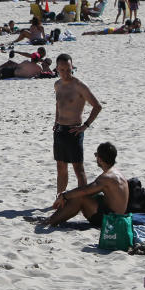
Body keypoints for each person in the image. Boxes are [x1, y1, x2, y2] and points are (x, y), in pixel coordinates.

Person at [50, 53, 103, 206]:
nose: (66, 73)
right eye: (62, 70)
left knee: (78, 168)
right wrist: (56, 121)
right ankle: (60, 198)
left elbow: (97, 106)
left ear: (72, 67)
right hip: (60, 130)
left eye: (69, 69)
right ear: (57, 69)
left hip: (75, 131)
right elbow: (58, 104)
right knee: (60, 166)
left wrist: (85, 126)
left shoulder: (79, 85)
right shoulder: (57, 84)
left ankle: (83, 201)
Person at [41, 141, 128, 229]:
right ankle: (54, 217)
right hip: (118, 216)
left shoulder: (106, 177)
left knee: (79, 197)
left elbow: (85, 190)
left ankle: (51, 220)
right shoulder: (117, 173)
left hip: (111, 220)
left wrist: (64, 196)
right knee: (81, 194)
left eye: (96, 155)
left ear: (100, 160)